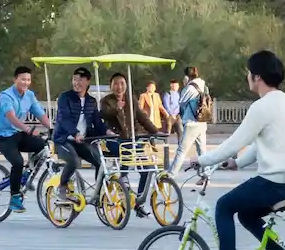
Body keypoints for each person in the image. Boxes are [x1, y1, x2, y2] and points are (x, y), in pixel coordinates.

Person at [188, 51, 285, 250]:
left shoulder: (262, 107)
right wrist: (238, 163)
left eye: (249, 73)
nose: (247, 77)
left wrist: (200, 160)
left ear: (257, 76)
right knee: (246, 215)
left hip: (275, 183)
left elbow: (235, 142)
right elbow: (263, 142)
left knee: (223, 206)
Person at [0, 65, 54, 213]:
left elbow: (40, 114)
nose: (25, 82)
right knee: (18, 162)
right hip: (3, 136)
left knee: (42, 145)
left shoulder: (30, 96)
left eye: (28, 80)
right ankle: (14, 198)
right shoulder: (5, 96)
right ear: (15, 79)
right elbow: (11, 117)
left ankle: (26, 175)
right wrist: (27, 129)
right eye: (22, 79)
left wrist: (52, 128)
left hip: (18, 134)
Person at [100, 72, 161, 218]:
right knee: (127, 148)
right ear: (111, 86)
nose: (119, 87)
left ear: (126, 85)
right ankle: (124, 178)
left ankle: (138, 202)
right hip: (114, 142)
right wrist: (118, 109)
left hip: (132, 141)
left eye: (122, 83)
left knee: (147, 169)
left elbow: (142, 118)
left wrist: (156, 132)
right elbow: (105, 114)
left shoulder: (131, 100)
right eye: (116, 83)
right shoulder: (106, 101)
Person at [53, 68, 108, 201]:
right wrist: (75, 133)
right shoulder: (65, 97)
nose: (77, 83)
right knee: (74, 161)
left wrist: (107, 131)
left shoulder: (91, 101)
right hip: (64, 140)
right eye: (74, 79)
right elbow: (63, 119)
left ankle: (99, 194)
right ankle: (63, 185)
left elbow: (97, 121)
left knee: (101, 163)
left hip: (82, 141)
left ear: (88, 81)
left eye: (80, 80)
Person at [169, 66, 209, 173]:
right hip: (202, 120)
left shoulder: (190, 87)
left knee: (181, 150)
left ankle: (171, 174)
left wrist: (186, 85)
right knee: (202, 150)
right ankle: (206, 174)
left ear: (186, 76)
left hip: (192, 122)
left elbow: (181, 101)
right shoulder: (203, 83)